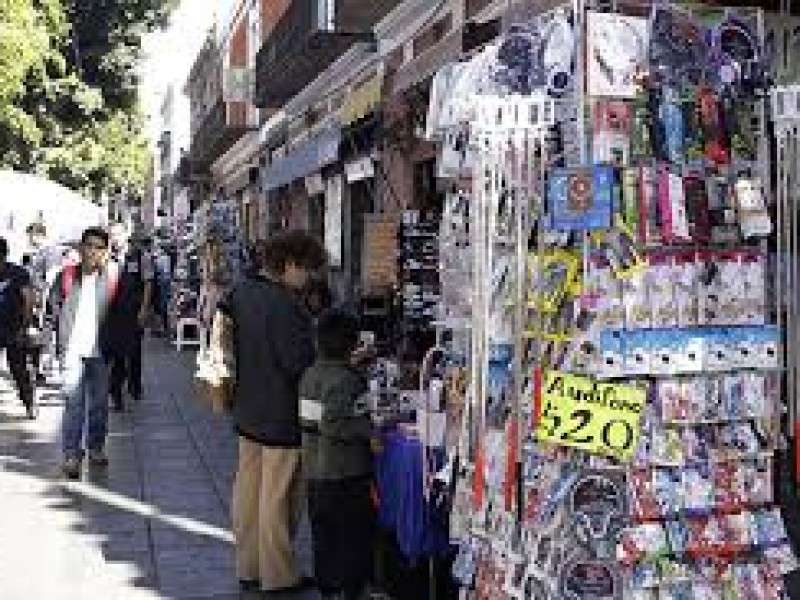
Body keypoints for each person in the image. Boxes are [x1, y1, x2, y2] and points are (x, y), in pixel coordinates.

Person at [217, 230, 326, 594]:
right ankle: (278, 574)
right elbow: (297, 362)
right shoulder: (285, 305)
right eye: (307, 268)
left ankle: (248, 566)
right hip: (281, 413)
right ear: (289, 264)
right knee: (277, 498)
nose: (310, 277)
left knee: (248, 490)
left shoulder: (242, 291)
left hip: (247, 406)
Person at [300, 310, 376, 600]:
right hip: (344, 473)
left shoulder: (311, 373)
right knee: (351, 536)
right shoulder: (346, 380)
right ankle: (351, 588)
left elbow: (313, 419)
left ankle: (328, 586)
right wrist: (368, 431)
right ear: (351, 344)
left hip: (316, 472)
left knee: (324, 536)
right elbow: (333, 423)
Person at [48, 227, 119, 479]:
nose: (93, 251)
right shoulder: (66, 276)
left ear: (106, 252)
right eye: (89, 245)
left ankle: (96, 447)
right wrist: (56, 345)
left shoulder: (112, 279)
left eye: (99, 247)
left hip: (100, 351)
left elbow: (120, 314)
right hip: (72, 350)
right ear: (81, 247)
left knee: (99, 405)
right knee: (73, 404)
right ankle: (71, 454)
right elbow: (53, 309)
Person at [106, 237, 154, 410]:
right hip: (113, 313)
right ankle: (115, 391)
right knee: (116, 352)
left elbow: (148, 283)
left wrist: (144, 308)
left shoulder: (141, 257)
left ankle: (134, 385)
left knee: (134, 350)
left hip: (133, 311)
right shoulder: (108, 258)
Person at [0, 238, 37, 419]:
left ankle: (29, 403)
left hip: (14, 328)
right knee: (19, 369)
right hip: (11, 328)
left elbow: (29, 300)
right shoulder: (19, 272)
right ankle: (29, 403)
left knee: (18, 369)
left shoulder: (18, 273)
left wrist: (25, 326)